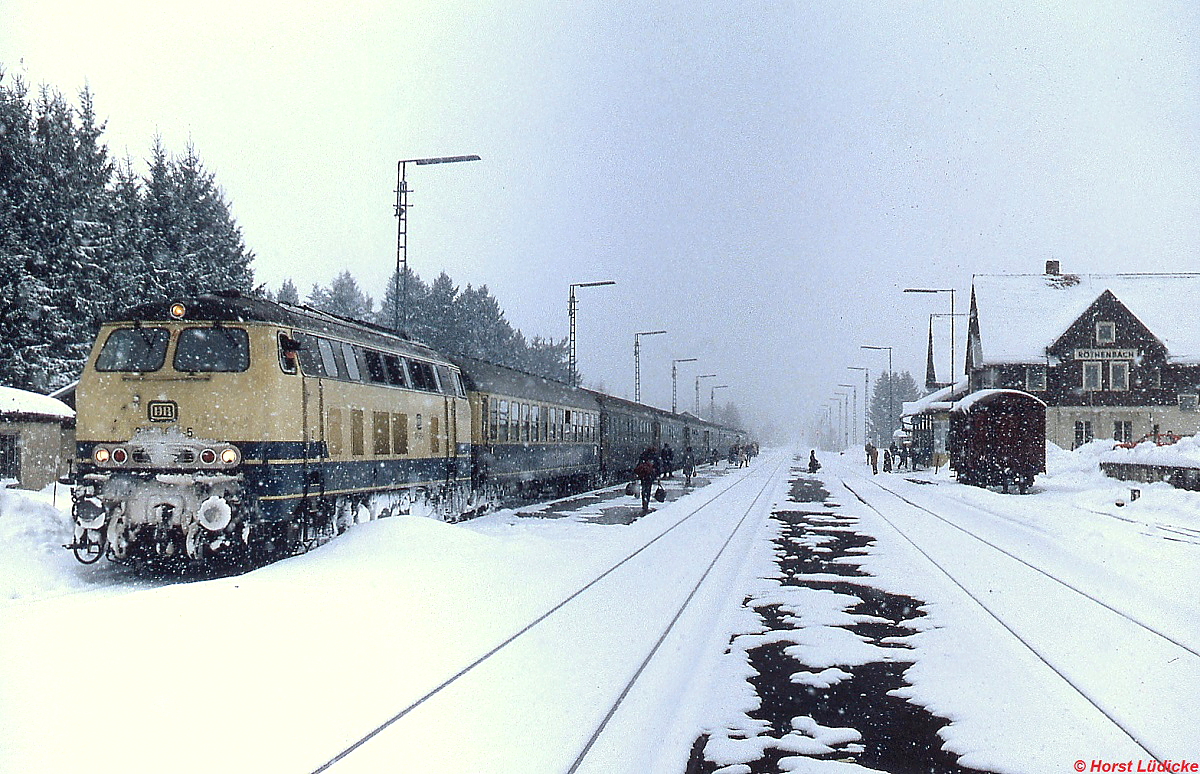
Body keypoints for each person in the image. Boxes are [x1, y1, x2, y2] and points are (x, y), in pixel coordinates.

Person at [634, 449, 658, 513]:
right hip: (649, 476)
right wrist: (657, 475)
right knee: (648, 489)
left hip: (643, 475)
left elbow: (638, 465)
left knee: (644, 489)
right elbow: (657, 466)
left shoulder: (643, 455)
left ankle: (644, 502)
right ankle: (646, 503)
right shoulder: (653, 456)